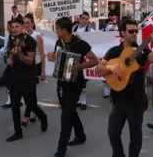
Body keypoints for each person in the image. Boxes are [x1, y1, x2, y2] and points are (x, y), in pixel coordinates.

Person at [96, 19, 153, 157]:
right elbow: (99, 69)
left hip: (136, 100)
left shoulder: (142, 50)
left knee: (135, 135)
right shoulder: (114, 51)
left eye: (136, 31)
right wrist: (110, 67)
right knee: (113, 132)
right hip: (118, 100)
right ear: (122, 33)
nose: (134, 34)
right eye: (131, 31)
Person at [47, 17, 98, 157]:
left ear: (64, 30)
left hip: (75, 83)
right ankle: (80, 135)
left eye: (57, 29)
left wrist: (78, 66)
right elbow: (56, 57)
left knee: (66, 116)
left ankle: (61, 149)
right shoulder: (59, 42)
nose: (55, 31)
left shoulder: (80, 44)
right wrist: (50, 56)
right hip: (62, 82)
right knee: (69, 110)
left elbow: (94, 60)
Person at [5, 18, 48, 142]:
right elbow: (10, 55)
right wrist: (10, 59)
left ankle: (42, 116)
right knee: (14, 105)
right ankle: (18, 132)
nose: (14, 29)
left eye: (17, 26)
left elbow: (30, 61)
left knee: (31, 103)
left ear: (23, 27)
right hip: (14, 77)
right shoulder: (12, 40)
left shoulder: (30, 41)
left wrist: (19, 55)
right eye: (12, 27)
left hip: (27, 76)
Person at [21, 13, 46, 126]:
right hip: (24, 65)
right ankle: (35, 111)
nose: (25, 25)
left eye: (28, 22)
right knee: (28, 92)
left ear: (32, 24)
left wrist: (43, 71)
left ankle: (27, 115)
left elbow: (42, 54)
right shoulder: (21, 36)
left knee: (31, 91)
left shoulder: (37, 36)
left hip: (35, 66)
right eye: (24, 22)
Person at [73, 12, 94, 110]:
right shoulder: (73, 29)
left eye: (87, 19)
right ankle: (77, 99)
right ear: (79, 18)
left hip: (85, 57)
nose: (85, 20)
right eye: (84, 18)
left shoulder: (91, 30)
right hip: (74, 57)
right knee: (75, 79)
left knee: (83, 80)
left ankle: (83, 100)